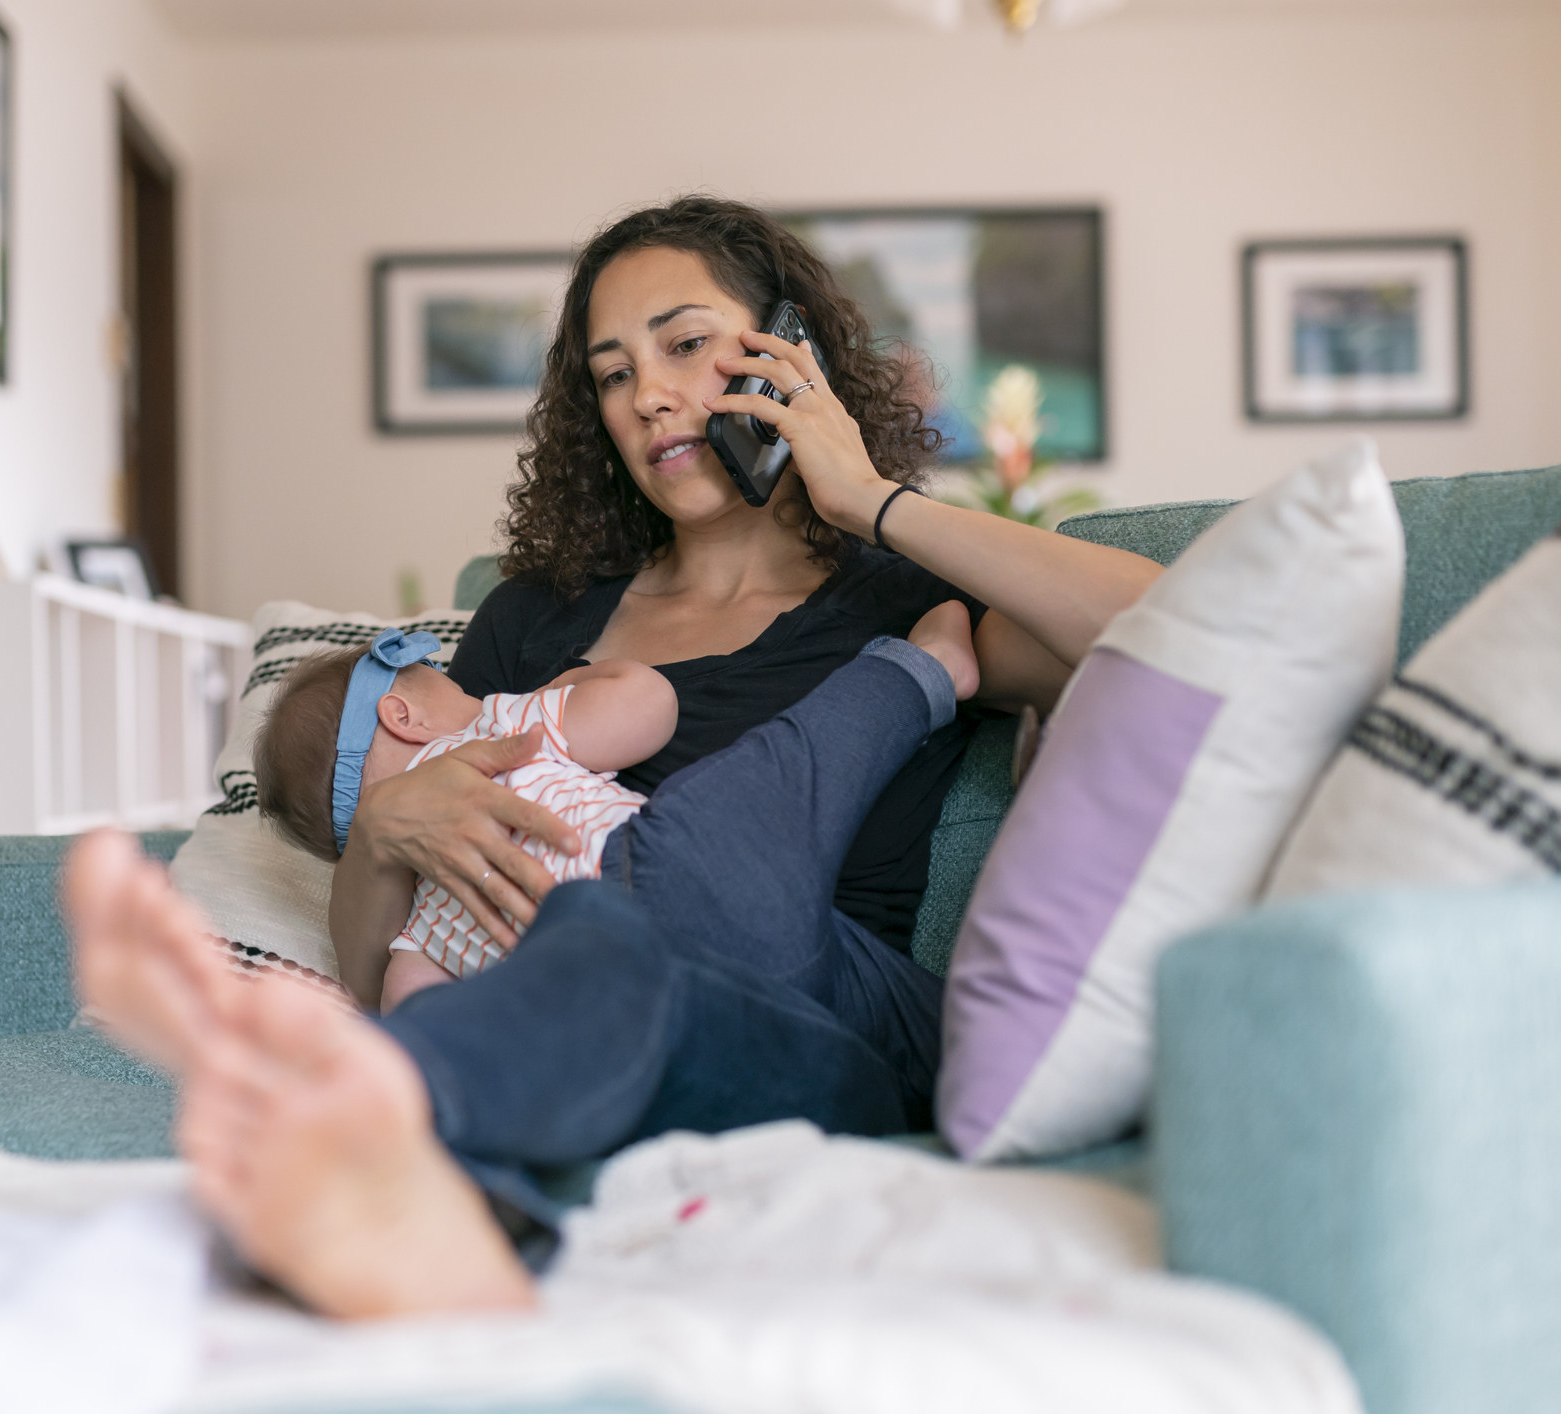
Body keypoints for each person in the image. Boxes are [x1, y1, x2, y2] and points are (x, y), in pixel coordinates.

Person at [67, 194, 1163, 1319]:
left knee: (662, 871)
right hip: (607, 1008)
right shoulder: (535, 620)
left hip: (820, 1023)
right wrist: (386, 837)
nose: (648, 395)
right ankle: (422, 1182)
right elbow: (385, 965)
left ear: (792, 350)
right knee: (583, 931)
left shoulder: (909, 600)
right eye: (611, 373)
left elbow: (1189, 632)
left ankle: (386, 1138)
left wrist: (871, 500)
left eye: (685, 344)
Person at [252, 605, 975, 1012]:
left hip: (604, 1004)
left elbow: (410, 1016)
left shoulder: (418, 926)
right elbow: (648, 708)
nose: (458, 684)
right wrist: (576, 683)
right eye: (436, 677)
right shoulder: (500, 728)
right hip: (655, 872)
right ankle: (919, 670)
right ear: (404, 715)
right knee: (785, 766)